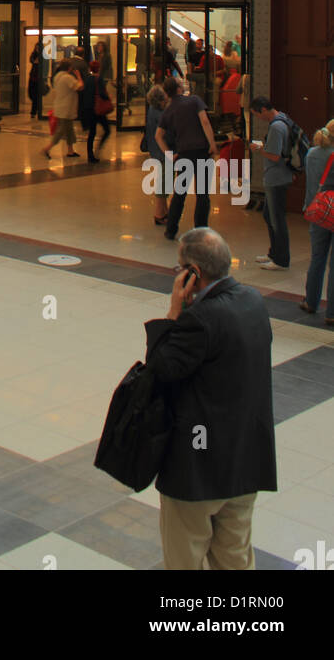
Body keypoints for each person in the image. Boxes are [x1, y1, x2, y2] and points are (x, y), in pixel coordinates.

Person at [144, 227, 276, 570]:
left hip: (197, 472)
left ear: (194, 274)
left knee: (184, 558)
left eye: (179, 269)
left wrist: (173, 312)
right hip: (245, 463)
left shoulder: (198, 320)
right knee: (235, 558)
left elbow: (159, 369)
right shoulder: (254, 302)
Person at [155, 76, 218, 241]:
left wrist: (169, 154)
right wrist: (212, 144)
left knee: (179, 194)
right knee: (202, 194)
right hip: (202, 151)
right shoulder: (195, 101)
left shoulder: (168, 110)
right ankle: (200, 229)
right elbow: (205, 121)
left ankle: (171, 229)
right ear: (178, 89)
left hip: (183, 153)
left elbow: (158, 136)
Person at [249, 96, 297, 272]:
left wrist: (259, 149)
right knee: (269, 215)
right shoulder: (283, 119)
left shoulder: (276, 127)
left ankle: (281, 259)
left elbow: (275, 156)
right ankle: (274, 253)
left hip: (276, 178)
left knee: (276, 219)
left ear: (262, 110)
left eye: (256, 114)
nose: (258, 118)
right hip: (278, 176)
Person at [299, 119, 334, 326]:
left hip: (319, 211)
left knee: (317, 258)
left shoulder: (312, 154)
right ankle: (332, 312)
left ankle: (311, 301)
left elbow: (312, 183)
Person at [42, 60, 83, 160]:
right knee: (61, 130)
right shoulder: (67, 78)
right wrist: (79, 76)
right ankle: (47, 148)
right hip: (66, 108)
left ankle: (70, 150)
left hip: (60, 106)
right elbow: (80, 87)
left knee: (69, 129)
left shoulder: (57, 77)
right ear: (69, 68)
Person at [145, 83, 170, 224]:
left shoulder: (152, 110)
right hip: (162, 151)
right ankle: (159, 213)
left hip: (155, 150)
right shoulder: (160, 113)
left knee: (163, 179)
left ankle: (164, 211)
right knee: (164, 181)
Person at [28, 41, 43, 119]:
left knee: (35, 96)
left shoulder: (43, 56)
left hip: (39, 78)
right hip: (32, 77)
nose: (37, 49)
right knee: (31, 94)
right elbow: (31, 60)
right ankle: (36, 108)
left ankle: (34, 111)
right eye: (36, 47)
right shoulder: (34, 54)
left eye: (39, 48)